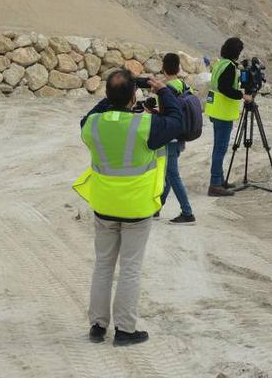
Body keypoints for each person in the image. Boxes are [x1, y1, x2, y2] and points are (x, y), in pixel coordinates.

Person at [75, 69, 184, 346]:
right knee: (130, 268)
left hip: (104, 205)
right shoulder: (144, 126)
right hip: (136, 207)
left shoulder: (93, 125)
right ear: (133, 96)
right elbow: (176, 120)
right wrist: (163, 90)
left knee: (102, 266)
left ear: (108, 96)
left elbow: (91, 115)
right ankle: (125, 330)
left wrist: (118, 93)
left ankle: (98, 326)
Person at [205, 37, 252, 196]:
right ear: (236, 52)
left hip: (215, 110)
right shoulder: (230, 67)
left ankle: (220, 180)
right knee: (220, 149)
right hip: (223, 113)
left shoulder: (220, 63)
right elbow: (225, 88)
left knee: (218, 148)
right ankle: (215, 184)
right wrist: (242, 95)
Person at [157, 53, 195, 224]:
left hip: (170, 137)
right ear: (179, 68)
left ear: (163, 68)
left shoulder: (166, 89)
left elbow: (167, 116)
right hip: (181, 134)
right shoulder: (184, 85)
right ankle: (156, 208)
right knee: (168, 175)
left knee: (172, 174)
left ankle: (187, 213)